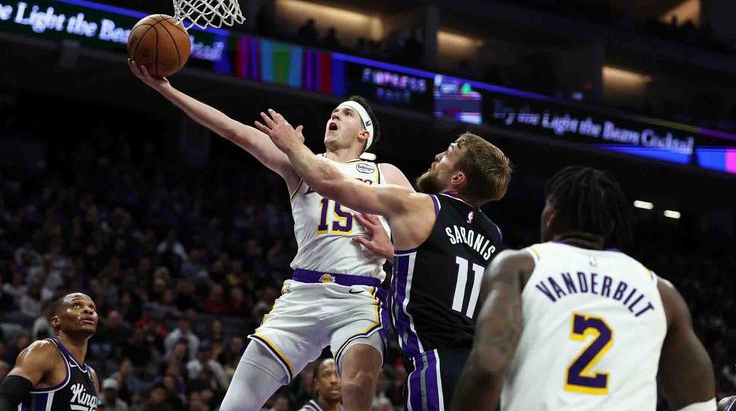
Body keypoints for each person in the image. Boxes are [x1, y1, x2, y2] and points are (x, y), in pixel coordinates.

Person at [129, 62, 413, 411]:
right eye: (334, 112)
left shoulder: (385, 173)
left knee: (357, 385)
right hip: (302, 294)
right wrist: (167, 90)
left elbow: (427, 233)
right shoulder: (301, 163)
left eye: (347, 113)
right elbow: (235, 131)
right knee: (234, 406)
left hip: (358, 297)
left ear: (363, 134)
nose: (335, 115)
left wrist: (393, 251)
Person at [256, 109, 512, 410]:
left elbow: (330, 183)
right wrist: (394, 253)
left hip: (437, 364)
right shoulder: (493, 234)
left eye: (448, 153)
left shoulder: (420, 205)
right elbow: (445, 274)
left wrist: (291, 145)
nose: (438, 155)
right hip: (483, 373)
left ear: (457, 178)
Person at [451, 166, 717, 411]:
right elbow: (699, 403)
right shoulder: (662, 292)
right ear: (609, 226)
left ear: (551, 217)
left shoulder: (519, 267)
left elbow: (487, 369)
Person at [0, 292, 101, 411]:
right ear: (56, 321)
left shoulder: (92, 376)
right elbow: (3, 399)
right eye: (76, 306)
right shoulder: (44, 350)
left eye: (92, 308)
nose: (88, 310)